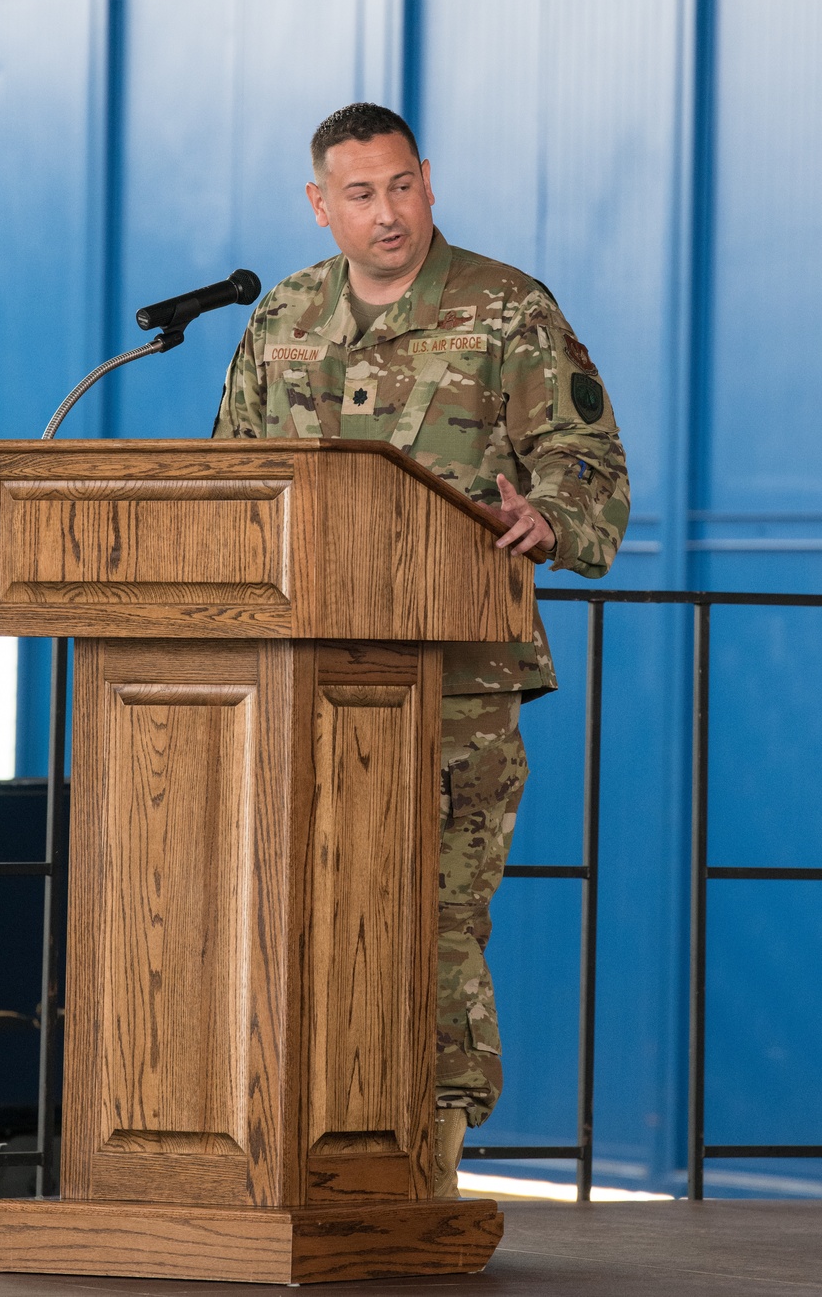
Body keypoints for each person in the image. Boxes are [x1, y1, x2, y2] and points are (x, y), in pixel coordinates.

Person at [213, 102, 629, 1196]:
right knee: (284, 913)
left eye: (401, 185)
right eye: (360, 193)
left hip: (456, 684)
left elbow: (585, 457)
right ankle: (282, 1154)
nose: (386, 211)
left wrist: (547, 514)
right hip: (292, 683)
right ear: (321, 204)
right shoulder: (282, 318)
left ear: (428, 181)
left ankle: (428, 1164)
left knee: (433, 922)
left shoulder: (506, 309)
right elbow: (229, 483)